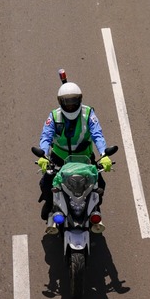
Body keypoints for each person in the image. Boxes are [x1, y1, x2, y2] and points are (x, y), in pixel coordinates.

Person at [37, 80, 111, 220]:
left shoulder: (88, 113)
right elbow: (46, 137)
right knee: (46, 184)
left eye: (73, 102)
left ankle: (93, 207)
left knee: (99, 185)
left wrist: (104, 154)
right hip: (59, 159)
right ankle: (49, 203)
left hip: (85, 159)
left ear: (79, 100)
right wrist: (43, 155)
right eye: (67, 102)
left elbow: (97, 135)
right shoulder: (54, 116)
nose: (70, 106)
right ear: (60, 102)